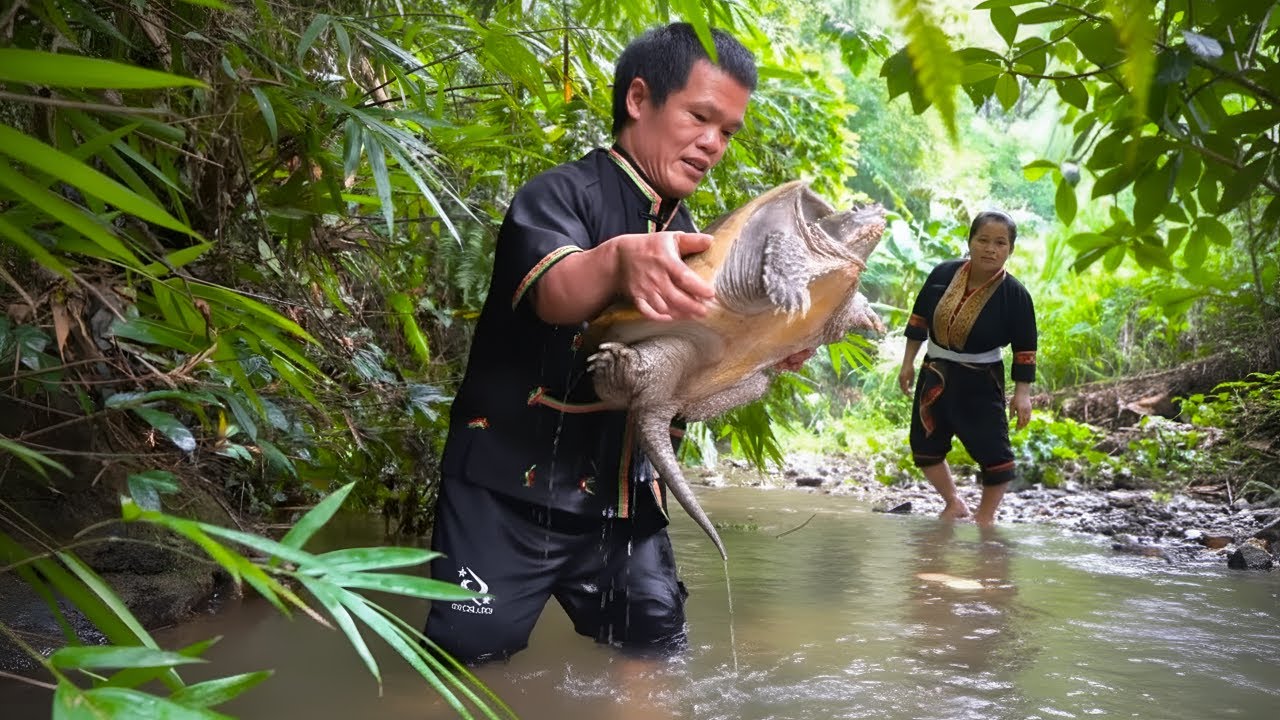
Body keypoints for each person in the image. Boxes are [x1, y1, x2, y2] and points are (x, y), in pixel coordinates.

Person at [423, 22, 807, 665]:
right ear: (638, 99)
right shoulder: (558, 195)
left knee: (655, 658)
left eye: (728, 132)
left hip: (622, 503)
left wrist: (763, 351)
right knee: (462, 668)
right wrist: (618, 261)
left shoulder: (696, 236)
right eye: (699, 117)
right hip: (502, 496)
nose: (713, 144)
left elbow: (686, 375)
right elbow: (555, 293)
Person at [897, 211, 1037, 526]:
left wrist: (1022, 394)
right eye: (983, 240)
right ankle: (954, 502)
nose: (990, 249)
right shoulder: (942, 274)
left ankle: (985, 518)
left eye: (1000, 243)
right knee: (924, 447)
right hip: (935, 372)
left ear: (1010, 249)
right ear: (970, 241)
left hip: (981, 380)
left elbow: (1025, 350)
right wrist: (907, 364)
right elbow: (918, 321)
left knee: (996, 455)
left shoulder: (1015, 296)